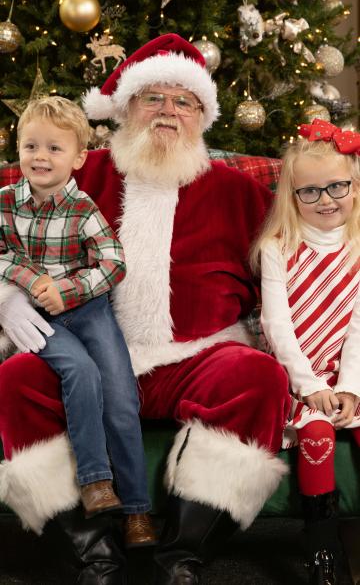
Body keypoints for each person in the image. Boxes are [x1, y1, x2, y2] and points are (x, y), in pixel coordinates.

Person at [0, 33, 290, 585]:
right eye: (151, 97)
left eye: (184, 101)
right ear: (123, 108)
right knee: (16, 379)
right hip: (84, 353)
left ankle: (182, 553)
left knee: (258, 377)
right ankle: (95, 552)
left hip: (200, 358)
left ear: (203, 116)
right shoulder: (76, 174)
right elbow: (7, 234)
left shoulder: (239, 191)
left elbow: (293, 272)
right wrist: (8, 298)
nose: (168, 111)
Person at [0, 96, 155, 546]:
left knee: (122, 401)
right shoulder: (7, 202)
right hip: (39, 317)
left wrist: (67, 288)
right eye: (31, 147)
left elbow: (113, 263)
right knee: (80, 372)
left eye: (54, 148)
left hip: (88, 312)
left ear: (79, 157)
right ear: (18, 148)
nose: (40, 157)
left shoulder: (83, 208)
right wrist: (27, 280)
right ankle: (94, 481)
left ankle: (137, 511)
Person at [251, 118, 360, 585]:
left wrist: (350, 388)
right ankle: (323, 547)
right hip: (297, 373)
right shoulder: (279, 248)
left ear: (354, 184)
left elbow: (359, 327)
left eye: (337, 186)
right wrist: (311, 385)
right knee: (316, 433)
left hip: (348, 371)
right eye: (310, 191)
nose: (327, 200)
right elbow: (276, 324)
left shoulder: (358, 246)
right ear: (291, 196)